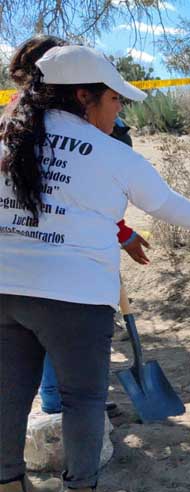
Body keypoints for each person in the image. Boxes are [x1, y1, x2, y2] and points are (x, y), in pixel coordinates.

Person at [0, 43, 190, 492]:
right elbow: (164, 203)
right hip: (76, 297)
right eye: (114, 99)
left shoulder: (8, 139)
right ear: (84, 96)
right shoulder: (109, 153)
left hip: (5, 287)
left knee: (9, 391)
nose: (119, 108)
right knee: (82, 396)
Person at [2, 35, 150, 416]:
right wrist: (122, 234)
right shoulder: (74, 122)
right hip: (61, 252)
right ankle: (63, 403)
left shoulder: (12, 117)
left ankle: (56, 401)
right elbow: (83, 197)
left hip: (19, 260)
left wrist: (123, 234)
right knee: (61, 318)